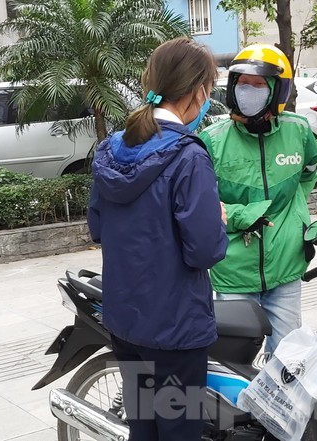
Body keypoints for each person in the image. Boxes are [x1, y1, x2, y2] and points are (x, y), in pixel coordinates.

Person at [87, 37, 228, 441]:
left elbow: (98, 229)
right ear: (199, 91)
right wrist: (216, 220)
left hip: (125, 320)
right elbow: (205, 249)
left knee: (143, 429)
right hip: (175, 328)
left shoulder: (112, 148)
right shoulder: (187, 155)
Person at [199, 44, 317, 356]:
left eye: (258, 84)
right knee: (234, 363)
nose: (247, 91)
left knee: (289, 361)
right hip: (234, 271)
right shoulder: (212, 141)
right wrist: (244, 215)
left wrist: (295, 217)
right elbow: (201, 203)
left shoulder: (299, 130)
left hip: (287, 265)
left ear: (277, 91)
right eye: (242, 83)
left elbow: (309, 172)